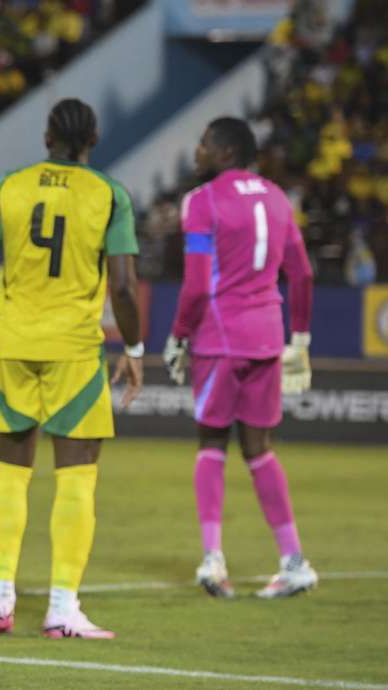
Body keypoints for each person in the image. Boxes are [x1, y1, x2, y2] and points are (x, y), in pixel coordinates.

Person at [0, 98, 144, 639]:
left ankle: (1, 599)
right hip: (76, 350)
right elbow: (125, 286)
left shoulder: (11, 186)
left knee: (11, 472)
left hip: (14, 342)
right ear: (92, 141)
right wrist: (135, 348)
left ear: (47, 138)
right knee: (77, 476)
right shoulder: (109, 194)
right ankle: (61, 608)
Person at [164, 117, 316, 600]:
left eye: (204, 144)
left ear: (225, 152)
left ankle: (212, 559)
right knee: (260, 450)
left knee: (211, 443)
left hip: (220, 337)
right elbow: (303, 274)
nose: (198, 151)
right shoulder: (278, 198)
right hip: (268, 337)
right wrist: (301, 338)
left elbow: (194, 283)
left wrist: (178, 335)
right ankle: (294, 562)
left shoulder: (202, 202)